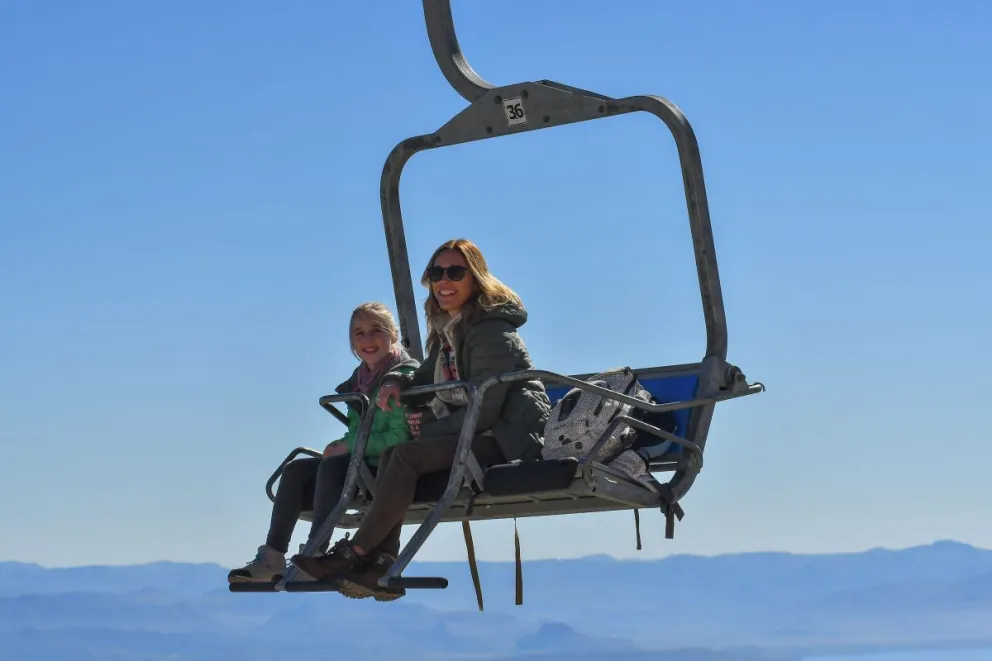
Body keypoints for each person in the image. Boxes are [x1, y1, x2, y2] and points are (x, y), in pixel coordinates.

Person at [291, 238, 551, 600]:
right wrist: (396, 379)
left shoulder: (490, 333)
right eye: (436, 272)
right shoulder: (449, 332)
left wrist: (427, 428)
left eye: (455, 272)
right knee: (393, 454)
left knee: (407, 454)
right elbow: (424, 375)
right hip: (475, 429)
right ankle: (382, 559)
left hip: (507, 436)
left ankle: (356, 554)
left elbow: (485, 411)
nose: (444, 280)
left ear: (474, 279)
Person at [227, 302, 420, 584]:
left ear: (393, 334)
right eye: (359, 333)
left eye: (376, 331)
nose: (367, 340)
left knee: (331, 467)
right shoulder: (360, 382)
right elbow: (360, 432)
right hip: (363, 461)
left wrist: (350, 447)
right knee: (295, 470)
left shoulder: (402, 378)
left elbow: (399, 438)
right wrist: (343, 444)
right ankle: (273, 556)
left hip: (387, 468)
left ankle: (316, 551)